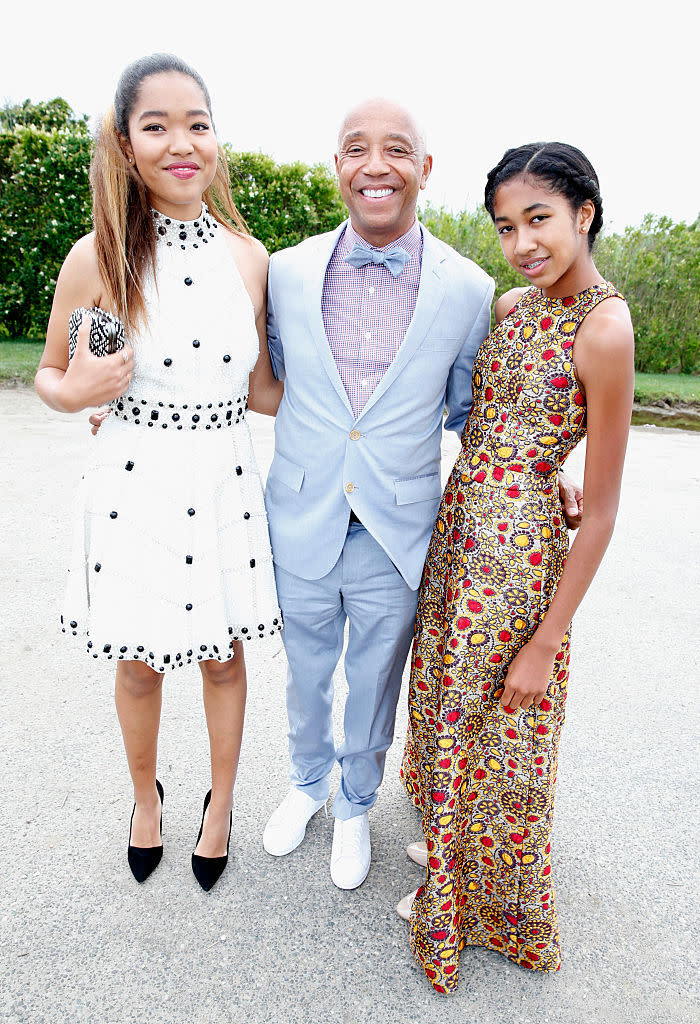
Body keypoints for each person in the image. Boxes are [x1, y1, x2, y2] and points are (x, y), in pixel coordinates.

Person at [261, 101, 583, 891]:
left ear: (424, 170)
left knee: (374, 676)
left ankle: (354, 807)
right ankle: (307, 784)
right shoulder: (286, 268)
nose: (377, 165)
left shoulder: (470, 289)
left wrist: (547, 466)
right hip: (300, 511)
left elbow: (476, 409)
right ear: (336, 166)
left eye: (397, 150)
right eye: (356, 150)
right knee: (305, 672)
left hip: (397, 526)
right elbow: (261, 378)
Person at [34, 53, 282, 890]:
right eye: (158, 125)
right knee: (139, 662)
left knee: (222, 656)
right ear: (125, 142)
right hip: (132, 479)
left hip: (223, 478)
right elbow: (48, 376)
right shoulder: (96, 256)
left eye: (198, 124)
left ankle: (221, 806)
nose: (183, 143)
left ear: (217, 139)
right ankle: (146, 798)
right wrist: (80, 390)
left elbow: (268, 390)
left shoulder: (252, 260)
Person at [397, 142, 635, 993]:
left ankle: (487, 905)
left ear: (584, 214)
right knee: (449, 704)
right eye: (507, 226)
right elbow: (503, 421)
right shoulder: (510, 305)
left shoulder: (604, 328)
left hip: (518, 559)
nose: (523, 241)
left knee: (506, 727)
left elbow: (603, 511)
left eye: (539, 219)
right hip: (462, 526)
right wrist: (546, 462)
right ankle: (449, 858)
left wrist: (548, 639)